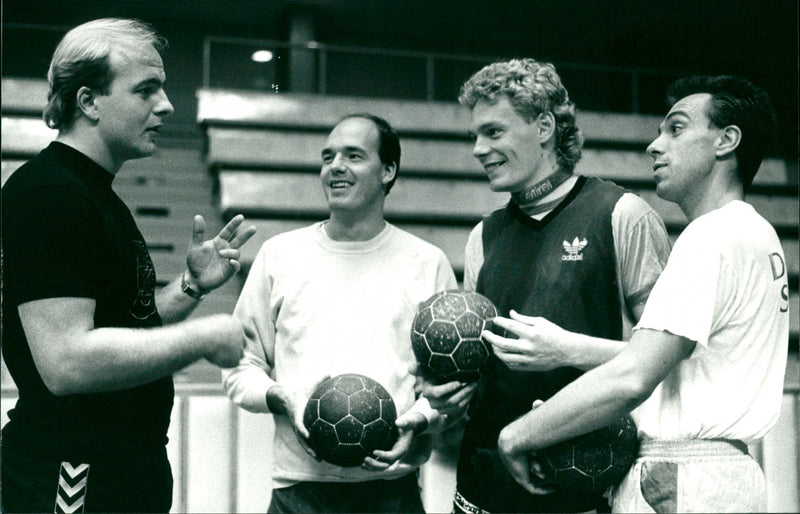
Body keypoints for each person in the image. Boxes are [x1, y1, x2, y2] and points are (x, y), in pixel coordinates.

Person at [495, 75, 788, 513]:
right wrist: (565, 348)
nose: (655, 146)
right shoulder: (755, 234)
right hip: (727, 475)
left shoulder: (710, 235)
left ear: (726, 140)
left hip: (681, 477)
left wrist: (519, 434)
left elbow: (634, 377)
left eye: (676, 128)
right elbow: (670, 361)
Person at [1, 18, 256, 513]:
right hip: (71, 471)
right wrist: (202, 338)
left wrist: (189, 288)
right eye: (146, 90)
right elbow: (66, 361)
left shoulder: (95, 194)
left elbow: (124, 325)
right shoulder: (49, 194)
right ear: (89, 102)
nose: (167, 105)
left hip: (123, 467)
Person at [421, 58, 672, 513]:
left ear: (543, 126)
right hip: (482, 483)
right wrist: (446, 397)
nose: (478, 149)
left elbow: (667, 362)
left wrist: (567, 350)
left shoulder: (622, 215)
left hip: (578, 486)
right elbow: (477, 372)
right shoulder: (485, 234)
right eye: (474, 135)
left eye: (493, 132)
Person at [222, 113, 457, 513]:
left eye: (353, 156)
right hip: (299, 493)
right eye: (327, 157)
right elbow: (239, 366)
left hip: (393, 491)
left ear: (388, 170)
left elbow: (450, 385)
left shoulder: (427, 262)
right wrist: (281, 397)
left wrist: (416, 421)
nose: (335, 167)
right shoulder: (279, 256)